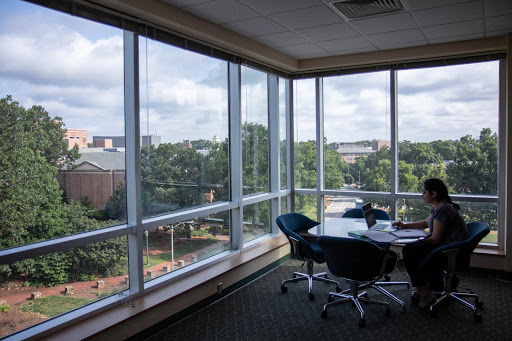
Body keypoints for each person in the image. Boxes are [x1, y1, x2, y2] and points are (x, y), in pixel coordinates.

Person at [392, 178, 467, 307]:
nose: (422, 195)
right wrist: (404, 226)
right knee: (412, 249)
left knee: (409, 251)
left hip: (448, 251)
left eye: (424, 192)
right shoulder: (440, 207)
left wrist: (418, 243)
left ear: (434, 194)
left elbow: (435, 239)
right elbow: (426, 223)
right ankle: (431, 285)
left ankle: (424, 290)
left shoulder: (442, 210)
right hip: (449, 248)